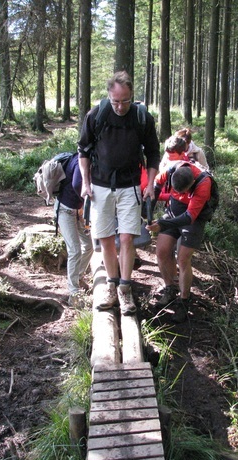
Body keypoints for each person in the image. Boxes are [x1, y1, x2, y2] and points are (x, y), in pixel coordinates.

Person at [78, 71, 160, 315]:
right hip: (100, 185)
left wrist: (151, 183)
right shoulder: (96, 115)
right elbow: (83, 150)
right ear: (109, 96)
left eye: (125, 100)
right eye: (116, 101)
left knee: (126, 237)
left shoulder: (141, 117)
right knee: (104, 238)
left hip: (131, 185)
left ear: (131, 96)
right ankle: (111, 286)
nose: (120, 106)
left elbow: (154, 153)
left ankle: (125, 289)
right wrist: (85, 182)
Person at [146, 161, 214, 322]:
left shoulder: (204, 183)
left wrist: (162, 224)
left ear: (191, 184)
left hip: (193, 220)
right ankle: (170, 288)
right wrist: (147, 213)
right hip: (172, 212)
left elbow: (190, 217)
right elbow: (155, 185)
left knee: (182, 258)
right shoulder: (171, 170)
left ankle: (184, 301)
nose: (179, 193)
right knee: (162, 251)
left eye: (183, 191)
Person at [54, 152, 93, 307]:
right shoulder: (79, 161)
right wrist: (87, 202)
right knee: (75, 250)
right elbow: (78, 184)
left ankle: (77, 277)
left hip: (76, 211)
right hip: (65, 210)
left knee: (89, 245)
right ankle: (73, 294)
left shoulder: (88, 160)